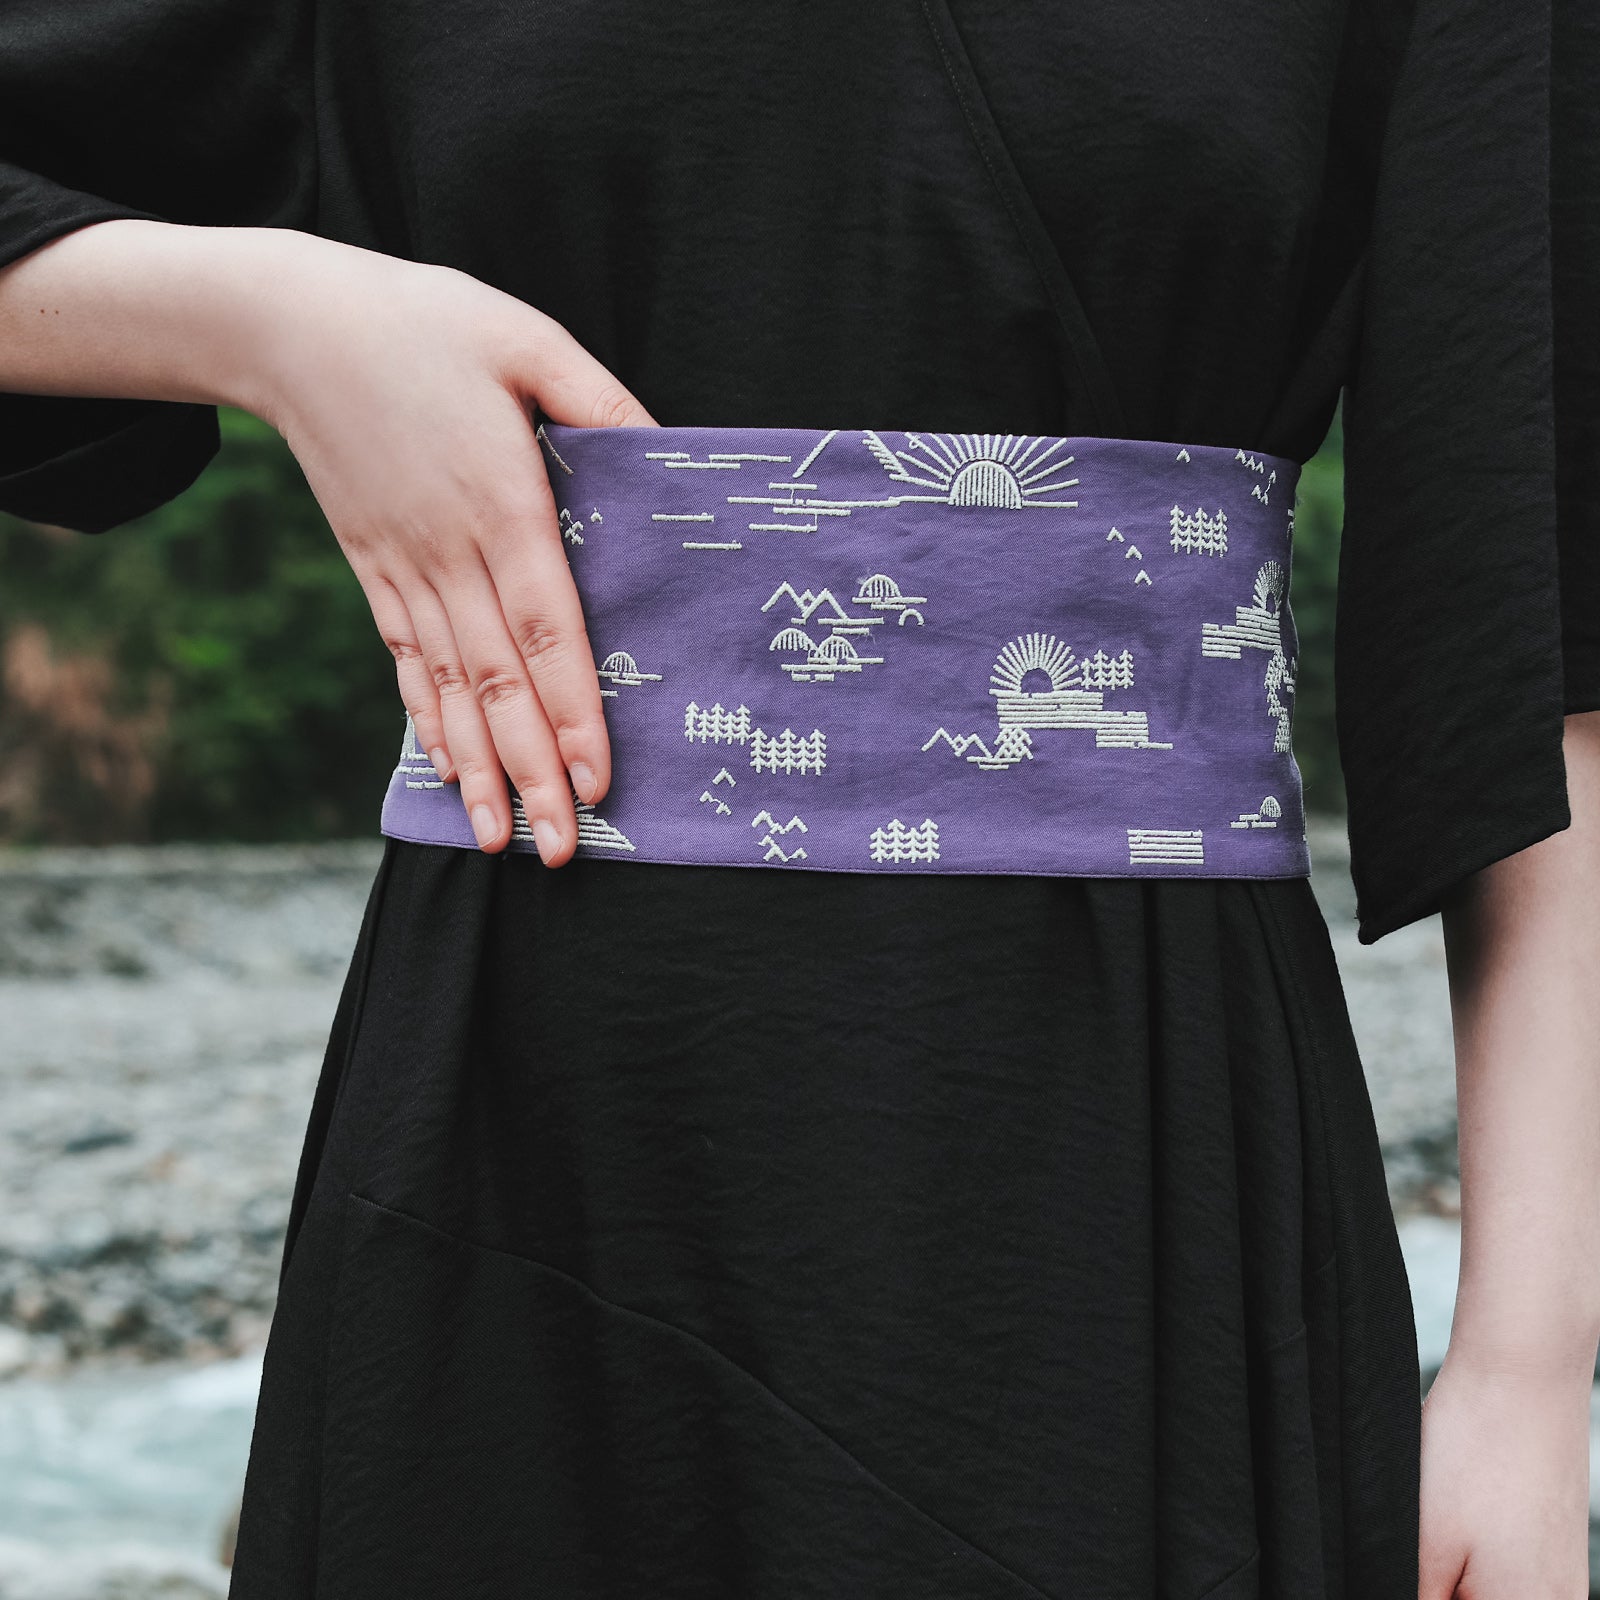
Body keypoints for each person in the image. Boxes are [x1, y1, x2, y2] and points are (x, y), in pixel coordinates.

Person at [1, 1, 1597, 1594]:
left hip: (1138, 1144)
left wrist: (1527, 1371)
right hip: (523, 1120)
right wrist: (276, 320)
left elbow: (1546, 638)